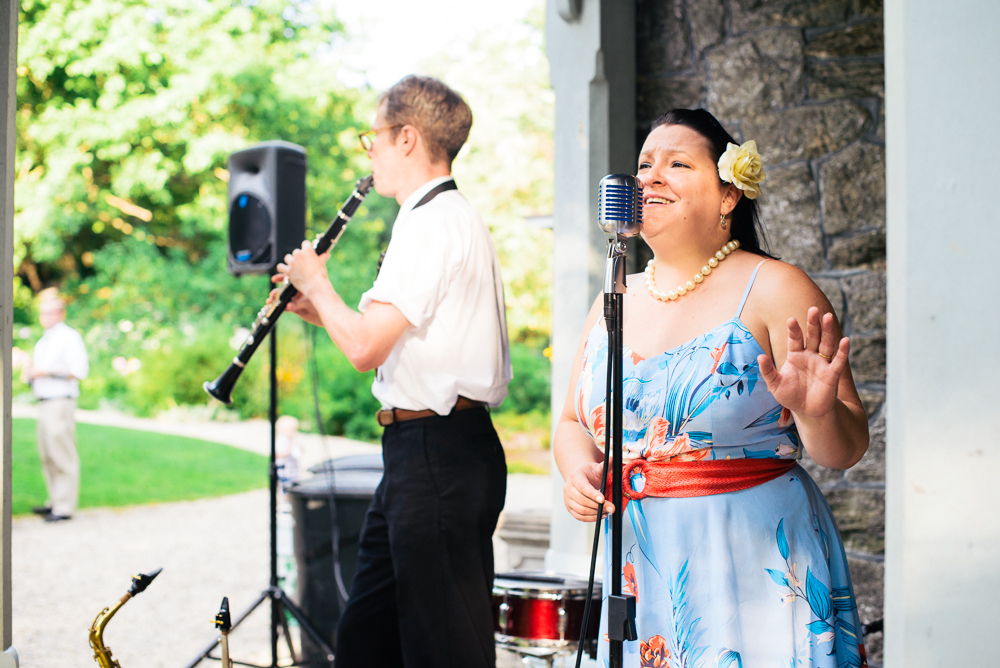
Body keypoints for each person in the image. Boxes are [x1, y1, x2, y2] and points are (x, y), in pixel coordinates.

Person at [555, 109, 871, 667]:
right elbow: (573, 423)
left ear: (729, 196)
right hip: (643, 565)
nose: (650, 177)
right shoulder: (615, 296)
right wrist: (579, 469)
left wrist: (817, 412)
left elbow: (843, 451)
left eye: (676, 164)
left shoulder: (777, 287)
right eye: (644, 165)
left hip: (755, 565)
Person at [273, 75, 511, 668]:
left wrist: (317, 282)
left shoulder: (429, 220)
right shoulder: (436, 216)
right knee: (366, 640)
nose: (369, 150)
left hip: (438, 453)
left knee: (445, 650)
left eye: (372, 137)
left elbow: (365, 350)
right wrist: (318, 308)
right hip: (426, 454)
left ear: (406, 138)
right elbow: (379, 341)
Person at [25, 293, 90, 522]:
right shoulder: (44, 341)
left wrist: (46, 371)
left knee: (62, 454)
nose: (44, 317)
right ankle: (54, 500)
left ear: (60, 314)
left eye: (48, 312)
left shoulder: (69, 337)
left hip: (60, 401)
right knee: (47, 455)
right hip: (43, 401)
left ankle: (64, 507)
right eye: (42, 312)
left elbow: (79, 371)